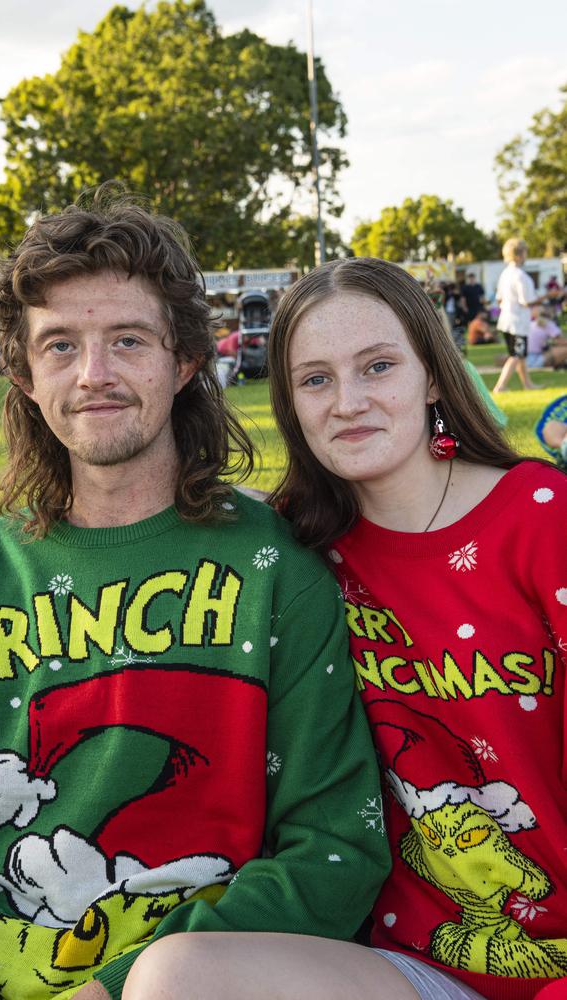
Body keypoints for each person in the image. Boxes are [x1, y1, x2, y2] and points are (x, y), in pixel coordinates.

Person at [0, 192, 389, 1000]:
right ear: (28, 377)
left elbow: (335, 846)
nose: (93, 375)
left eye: (126, 341)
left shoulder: (278, 571)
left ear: (184, 362)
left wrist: (123, 985)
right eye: (60, 345)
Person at [260, 257, 566, 1000]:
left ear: (433, 375)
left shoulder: (541, 517)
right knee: (177, 979)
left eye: (378, 366)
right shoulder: (300, 554)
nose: (348, 402)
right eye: (316, 379)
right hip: (416, 965)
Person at [492, 238, 547, 392]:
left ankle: (527, 384)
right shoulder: (522, 276)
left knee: (520, 356)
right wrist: (547, 297)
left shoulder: (505, 274)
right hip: (518, 323)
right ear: (520, 254)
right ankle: (500, 386)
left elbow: (499, 298)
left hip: (505, 320)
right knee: (516, 355)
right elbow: (526, 301)